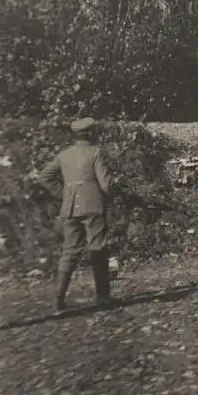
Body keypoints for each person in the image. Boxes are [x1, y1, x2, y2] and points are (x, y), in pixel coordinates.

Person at [37, 117, 113, 313]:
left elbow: (44, 176)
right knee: (98, 248)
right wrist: (114, 194)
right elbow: (106, 185)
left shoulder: (64, 155)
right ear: (90, 134)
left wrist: (64, 194)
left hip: (70, 207)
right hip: (92, 205)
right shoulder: (95, 152)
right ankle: (103, 298)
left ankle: (58, 300)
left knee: (69, 251)